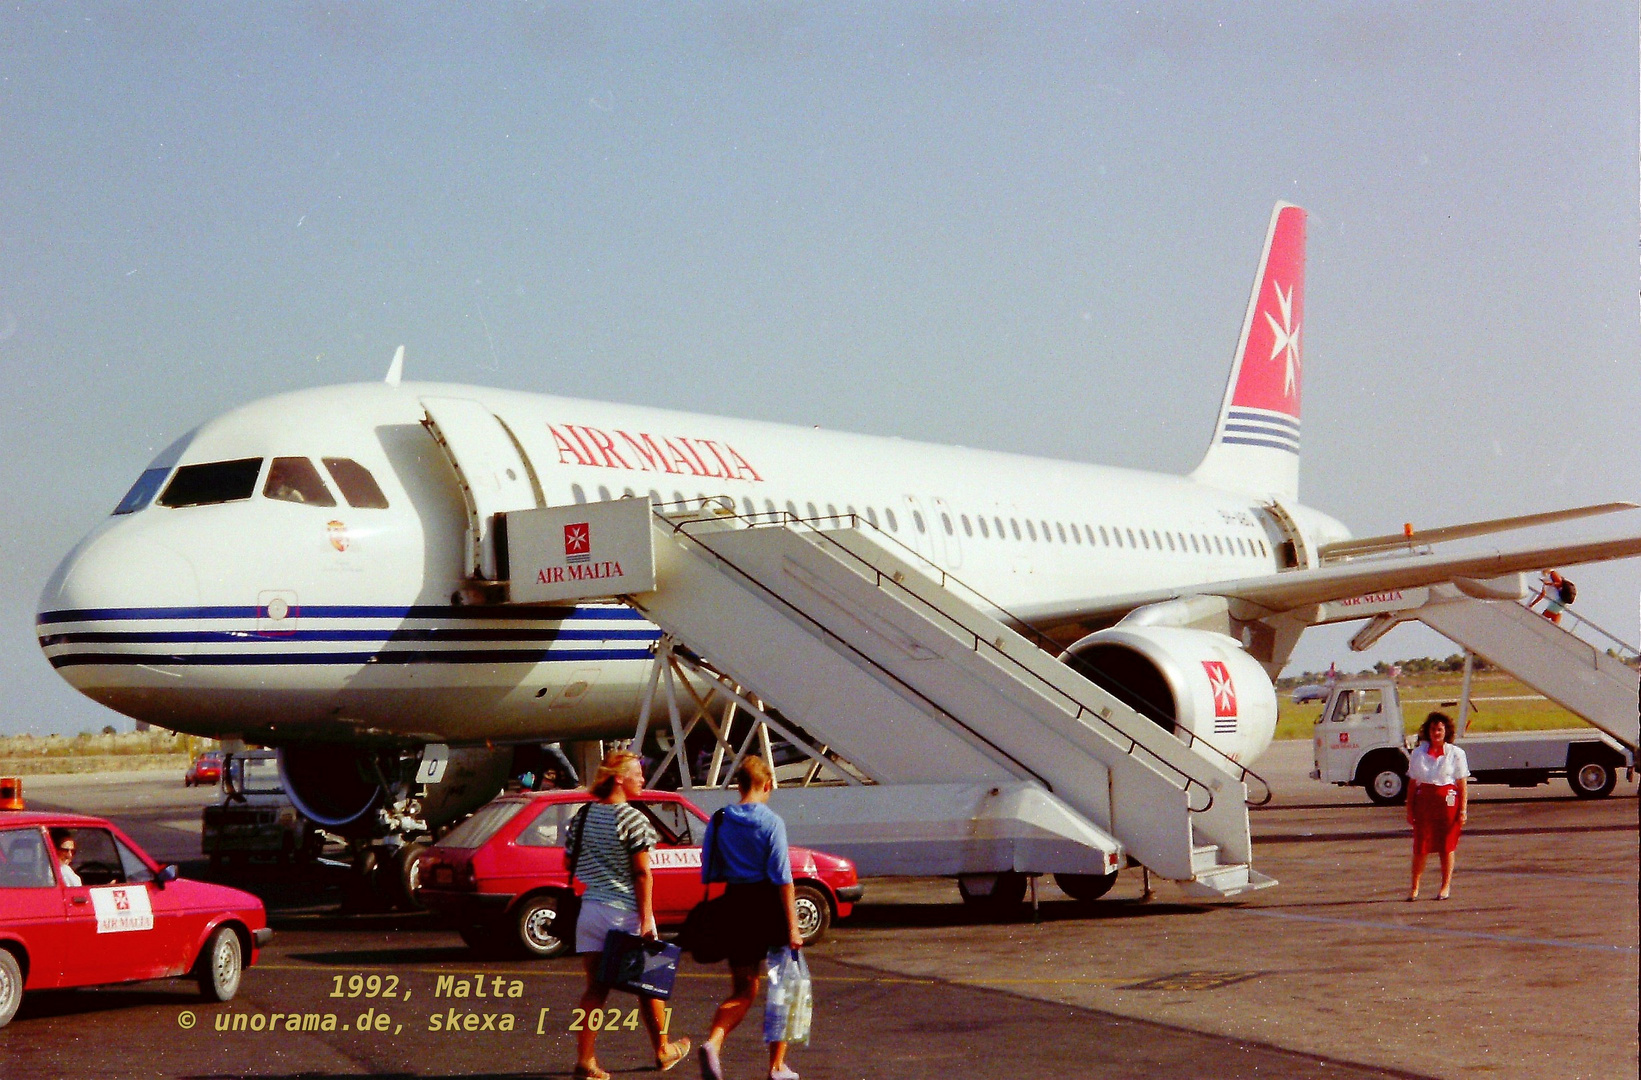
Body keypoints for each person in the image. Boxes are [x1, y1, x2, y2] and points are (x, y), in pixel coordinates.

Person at [564, 750, 691, 1079]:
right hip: (624, 912)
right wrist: (647, 917)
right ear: (619, 778)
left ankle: (586, 1059)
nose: (642, 779)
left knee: (595, 989)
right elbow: (642, 874)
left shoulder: (583, 815)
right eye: (638, 773)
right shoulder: (634, 819)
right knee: (650, 985)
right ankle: (663, 1051)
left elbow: (568, 863)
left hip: (590, 911)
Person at [697, 757, 804, 1080]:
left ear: (739, 785)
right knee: (784, 987)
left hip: (736, 904)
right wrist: (794, 927)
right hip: (768, 904)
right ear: (767, 785)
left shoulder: (719, 820)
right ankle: (776, 1066)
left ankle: (714, 1043)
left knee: (744, 989)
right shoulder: (771, 822)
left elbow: (709, 871)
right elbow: (783, 878)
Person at [1406, 712, 1471, 901]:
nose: (1436, 733)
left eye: (1440, 729)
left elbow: (1462, 784)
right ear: (1428, 731)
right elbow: (1412, 784)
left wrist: (1463, 810)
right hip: (1424, 805)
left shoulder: (1456, 754)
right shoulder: (1418, 754)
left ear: (1446, 731)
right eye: (1433, 729)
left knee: (1446, 847)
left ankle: (1445, 886)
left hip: (1448, 806)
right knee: (1421, 848)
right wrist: (1409, 809)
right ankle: (1414, 887)